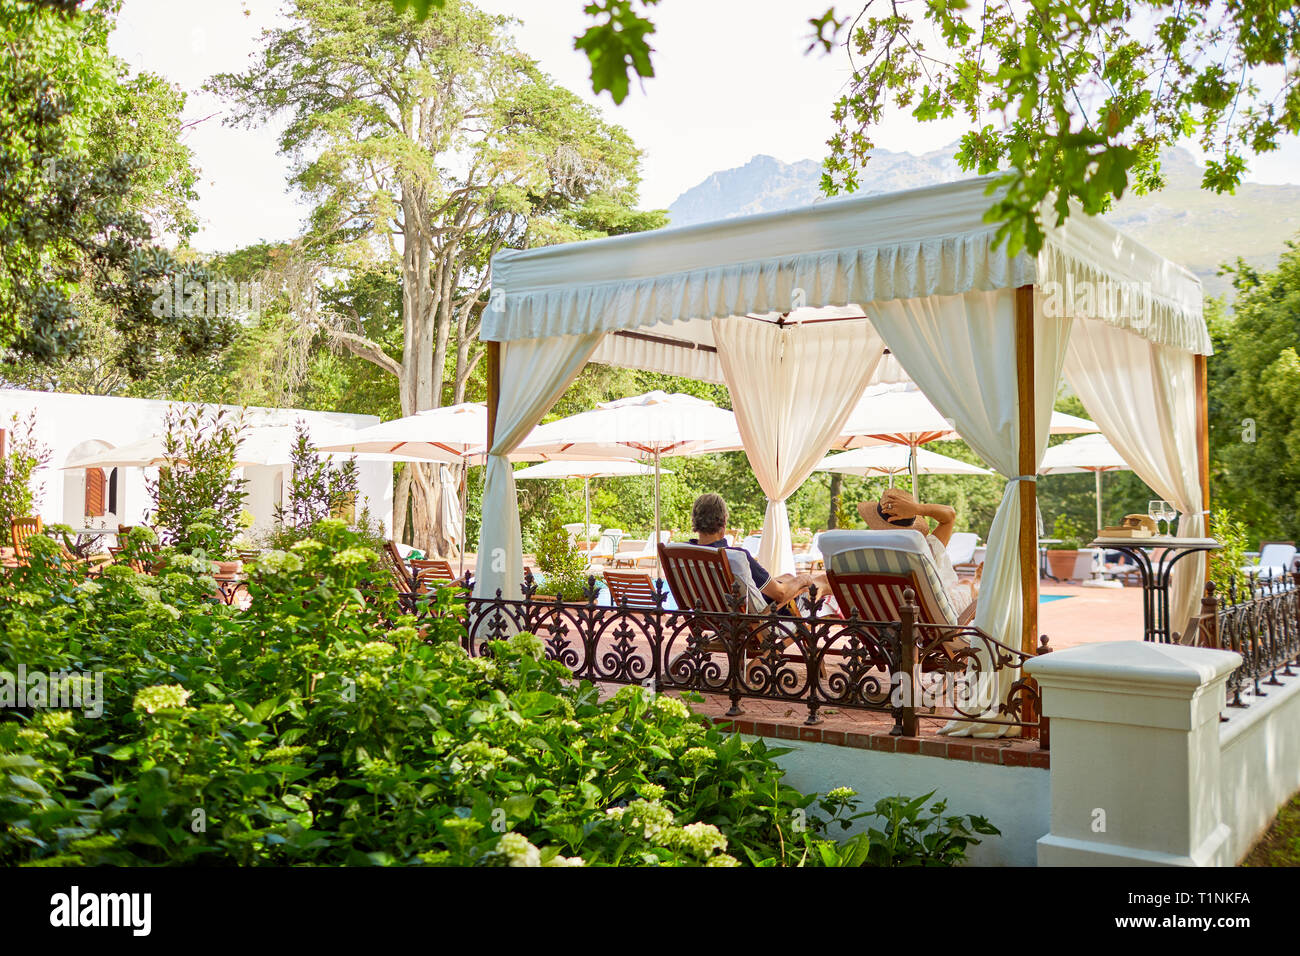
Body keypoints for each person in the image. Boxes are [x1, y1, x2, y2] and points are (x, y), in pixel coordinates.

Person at [856, 487, 976, 617]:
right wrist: (917, 508)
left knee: (965, 586)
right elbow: (950, 515)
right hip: (928, 627)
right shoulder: (926, 549)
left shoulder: (863, 555)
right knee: (968, 588)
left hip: (879, 625)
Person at [688, 493, 823, 608]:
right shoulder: (735, 557)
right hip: (761, 618)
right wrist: (802, 579)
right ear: (724, 522)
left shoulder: (684, 553)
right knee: (823, 581)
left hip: (711, 614)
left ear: (695, 521)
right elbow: (780, 594)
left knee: (788, 576)